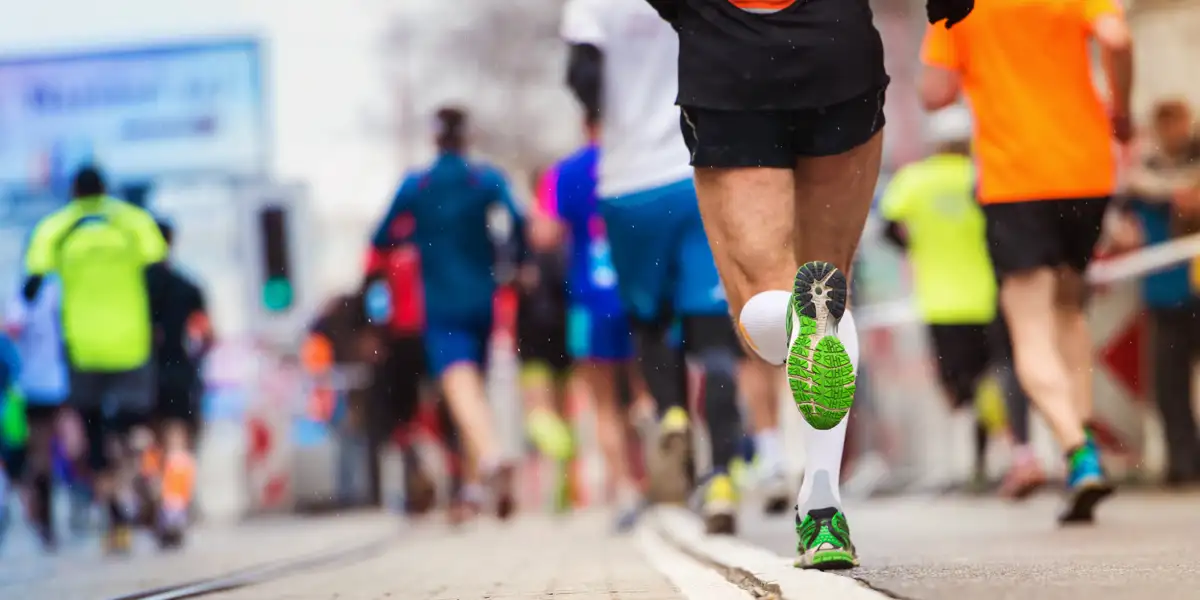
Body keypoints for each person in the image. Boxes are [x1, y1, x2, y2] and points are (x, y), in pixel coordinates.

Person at [642, 0, 972, 570]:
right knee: (826, 288)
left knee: (763, 309)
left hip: (729, 60)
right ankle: (822, 508)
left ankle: (794, 322)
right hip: (836, 49)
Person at [919, 0, 1132, 523]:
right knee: (1069, 310)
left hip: (1015, 178)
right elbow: (1118, 39)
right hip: (1085, 167)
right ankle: (1085, 447)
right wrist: (1119, 108)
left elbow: (934, 93)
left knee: (1030, 328)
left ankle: (1076, 452)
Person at [562, 0, 749, 535]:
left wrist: (609, 116)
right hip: (696, 170)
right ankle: (720, 478)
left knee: (650, 317)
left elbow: (583, 75)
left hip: (626, 183)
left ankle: (670, 412)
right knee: (714, 338)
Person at [879, 107, 1044, 497]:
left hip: (941, 299)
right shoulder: (981, 177)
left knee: (959, 388)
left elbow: (887, 229)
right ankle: (1002, 457)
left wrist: (917, 246)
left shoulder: (913, 181)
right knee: (997, 374)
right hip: (989, 294)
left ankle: (976, 464)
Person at [371, 107, 525, 521]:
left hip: (440, 302)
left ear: (434, 138)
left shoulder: (417, 184)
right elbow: (519, 218)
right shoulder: (485, 179)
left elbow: (381, 234)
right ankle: (474, 490)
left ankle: (491, 458)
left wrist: (416, 233)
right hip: (483, 297)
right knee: (475, 390)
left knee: (460, 388)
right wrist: (512, 261)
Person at [22, 165, 166, 553]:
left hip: (83, 348)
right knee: (136, 423)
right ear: (107, 188)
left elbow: (31, 283)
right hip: (131, 343)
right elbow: (159, 269)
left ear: (73, 191)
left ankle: (115, 513)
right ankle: (142, 472)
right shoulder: (131, 222)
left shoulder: (57, 228)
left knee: (94, 433)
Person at [532, 119, 644, 529]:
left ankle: (625, 491)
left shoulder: (566, 172)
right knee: (642, 387)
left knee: (603, 404)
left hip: (587, 301)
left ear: (583, 118)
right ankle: (651, 440)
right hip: (636, 292)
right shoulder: (635, 159)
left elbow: (544, 234)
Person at [1119, 99, 1200, 485]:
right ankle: (1184, 464)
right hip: (1165, 294)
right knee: (1170, 387)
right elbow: (1126, 194)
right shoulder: (1142, 173)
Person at [142, 220, 213, 548]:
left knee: (148, 443)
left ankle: (151, 499)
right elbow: (206, 334)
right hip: (179, 371)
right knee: (177, 444)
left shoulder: (135, 287)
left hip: (140, 373)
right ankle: (174, 507)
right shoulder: (188, 286)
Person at [362, 213, 439, 514]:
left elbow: (372, 294)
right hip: (413, 338)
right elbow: (373, 293)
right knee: (408, 416)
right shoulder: (420, 240)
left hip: (412, 338)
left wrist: (375, 331)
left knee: (408, 418)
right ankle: (415, 482)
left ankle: (422, 480)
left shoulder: (386, 247)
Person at [3, 268, 70, 548]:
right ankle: (48, 519)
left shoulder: (22, 297)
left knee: (41, 456)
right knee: (74, 451)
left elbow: (10, 332)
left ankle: (45, 522)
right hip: (63, 384)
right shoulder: (61, 290)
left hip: (31, 388)